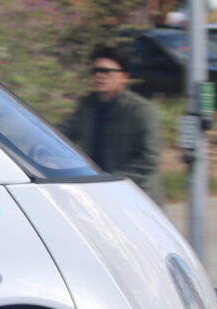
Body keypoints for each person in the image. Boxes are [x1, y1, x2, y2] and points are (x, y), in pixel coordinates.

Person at [59, 45, 164, 203]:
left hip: (137, 196)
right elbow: (61, 136)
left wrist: (114, 181)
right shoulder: (87, 105)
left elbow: (149, 157)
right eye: (95, 71)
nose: (100, 76)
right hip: (97, 193)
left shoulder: (140, 110)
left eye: (106, 71)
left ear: (124, 76)